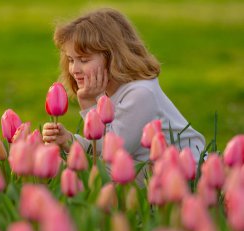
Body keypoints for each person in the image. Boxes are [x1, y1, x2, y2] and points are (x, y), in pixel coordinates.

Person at [42, 8, 205, 165]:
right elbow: (104, 143)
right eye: (71, 60)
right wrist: (70, 140)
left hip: (181, 171)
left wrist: (90, 104)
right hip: (144, 167)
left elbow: (113, 152)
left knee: (87, 173)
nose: (74, 70)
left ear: (114, 57)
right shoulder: (104, 90)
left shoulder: (140, 93)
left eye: (84, 60)